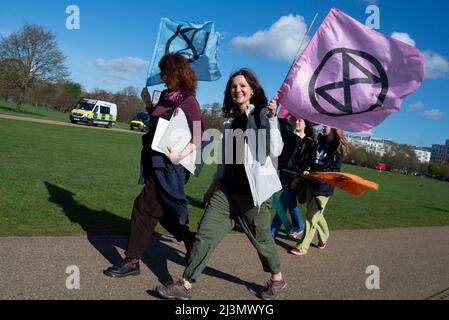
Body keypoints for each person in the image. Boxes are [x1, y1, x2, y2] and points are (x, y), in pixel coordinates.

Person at [155, 68, 287, 300]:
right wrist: (213, 186)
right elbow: (226, 160)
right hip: (226, 194)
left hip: (254, 196)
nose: (238, 89)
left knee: (263, 241)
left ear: (252, 89)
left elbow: (276, 150)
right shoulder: (229, 121)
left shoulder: (262, 116)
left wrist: (273, 120)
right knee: (204, 235)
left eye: (243, 85)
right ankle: (184, 285)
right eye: (234, 86)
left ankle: (277, 278)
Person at [103, 53, 202, 277]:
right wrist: (148, 104)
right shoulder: (166, 96)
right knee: (163, 211)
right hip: (152, 160)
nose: (163, 77)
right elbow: (159, 124)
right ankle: (190, 238)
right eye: (162, 73)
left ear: (179, 73)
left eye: (167, 73)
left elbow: (199, 135)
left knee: (144, 207)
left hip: (171, 166)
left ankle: (132, 260)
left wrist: (180, 154)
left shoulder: (189, 101)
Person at [289, 126, 350, 256]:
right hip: (311, 183)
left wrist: (317, 173)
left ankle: (302, 246)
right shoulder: (319, 140)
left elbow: (335, 169)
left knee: (311, 216)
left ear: (334, 127)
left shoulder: (338, 146)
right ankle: (324, 235)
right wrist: (307, 169)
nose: (323, 126)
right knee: (317, 214)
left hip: (324, 186)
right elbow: (310, 160)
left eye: (326, 124)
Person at [271, 112, 315, 239]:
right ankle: (299, 225)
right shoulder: (289, 136)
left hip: (296, 176)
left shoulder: (309, 142)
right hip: (284, 173)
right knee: (290, 203)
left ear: (306, 125)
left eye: (300, 121)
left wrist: (298, 178)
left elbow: (307, 162)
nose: (297, 122)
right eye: (296, 120)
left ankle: (273, 230)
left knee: (282, 202)